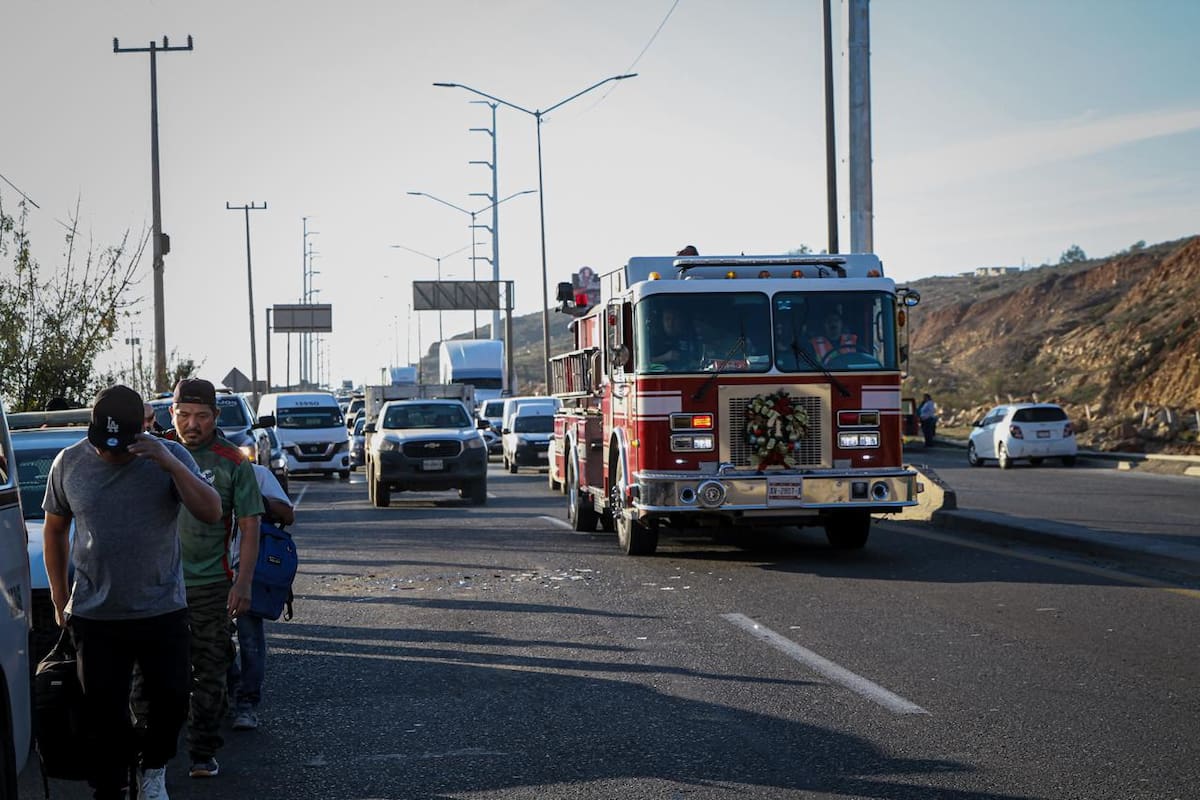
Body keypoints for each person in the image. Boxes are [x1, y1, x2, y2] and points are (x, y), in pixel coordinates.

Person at [42, 385, 221, 800]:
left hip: (160, 609)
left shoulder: (169, 456)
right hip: (95, 613)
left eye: (120, 446)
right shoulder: (68, 462)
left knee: (173, 700)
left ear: (141, 429)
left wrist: (169, 464)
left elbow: (210, 511)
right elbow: (54, 529)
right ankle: (112, 784)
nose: (110, 454)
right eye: (103, 445)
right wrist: (58, 595)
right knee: (102, 713)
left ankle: (153, 764)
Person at [167, 379, 264, 779]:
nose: (193, 424)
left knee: (210, 671)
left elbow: (250, 525)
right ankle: (148, 758)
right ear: (170, 414)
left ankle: (202, 751)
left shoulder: (232, 462)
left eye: (202, 416)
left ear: (215, 417)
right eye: (184, 415)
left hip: (210, 586)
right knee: (149, 678)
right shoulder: (155, 455)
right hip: (157, 589)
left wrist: (243, 583)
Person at [226, 463, 295, 732]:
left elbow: (287, 515)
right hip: (206, 571)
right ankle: (229, 689)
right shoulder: (189, 468)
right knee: (211, 640)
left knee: (250, 639)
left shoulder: (255, 473)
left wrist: (253, 497)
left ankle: (246, 704)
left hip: (247, 570)